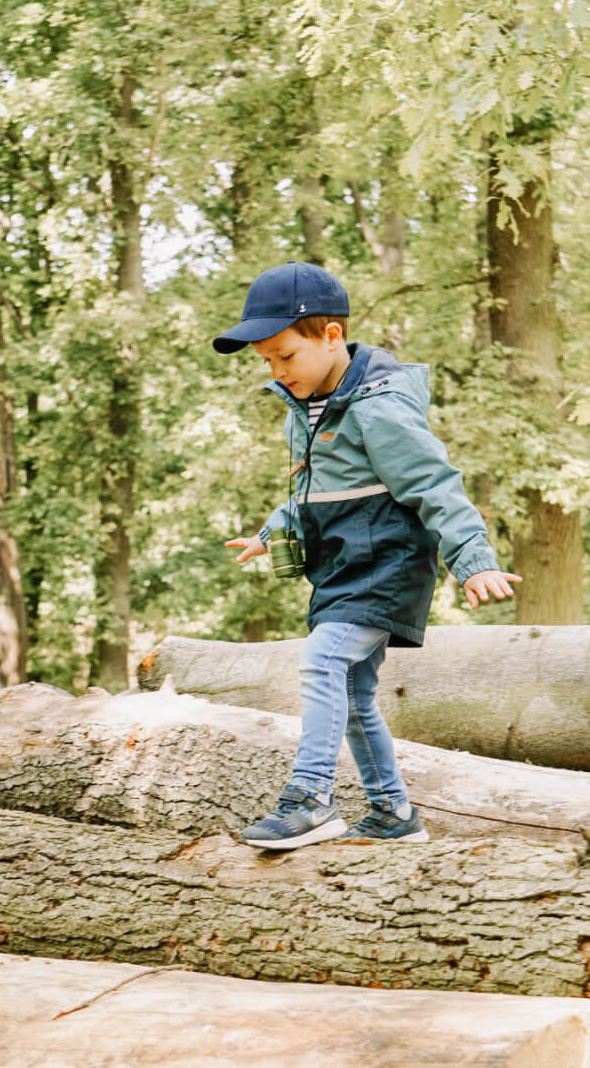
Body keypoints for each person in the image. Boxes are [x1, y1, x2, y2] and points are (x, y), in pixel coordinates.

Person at [213, 260, 521, 850]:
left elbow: (434, 483)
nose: (278, 371)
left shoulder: (380, 407)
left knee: (322, 659)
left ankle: (311, 798)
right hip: (342, 569)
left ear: (331, 337)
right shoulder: (302, 414)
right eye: (268, 362)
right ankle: (393, 813)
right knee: (353, 697)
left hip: (388, 563)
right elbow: (311, 493)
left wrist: (473, 559)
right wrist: (273, 530)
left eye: (286, 356)